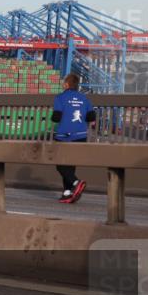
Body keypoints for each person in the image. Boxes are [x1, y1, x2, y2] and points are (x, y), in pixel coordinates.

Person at [52, 73, 96, 204]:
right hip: (81, 135)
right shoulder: (84, 98)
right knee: (70, 165)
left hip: (64, 136)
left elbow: (56, 117)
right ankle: (67, 192)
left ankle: (77, 182)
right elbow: (91, 117)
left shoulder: (60, 97)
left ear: (66, 84)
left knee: (60, 164)